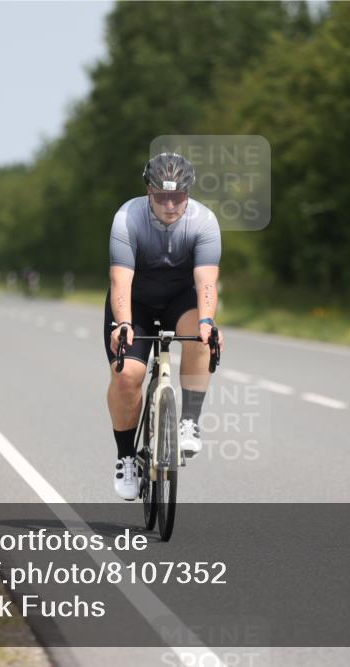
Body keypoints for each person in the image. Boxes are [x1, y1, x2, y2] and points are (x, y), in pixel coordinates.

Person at [105, 152, 224, 500]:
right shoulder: (127, 219)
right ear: (148, 192)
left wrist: (206, 321)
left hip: (179, 298)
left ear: (188, 193)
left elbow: (205, 281)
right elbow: (120, 281)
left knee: (202, 335)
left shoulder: (204, 221)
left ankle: (189, 420)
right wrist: (124, 323)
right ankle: (126, 456)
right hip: (136, 301)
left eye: (178, 196)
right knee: (127, 377)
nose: (170, 205)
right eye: (161, 196)